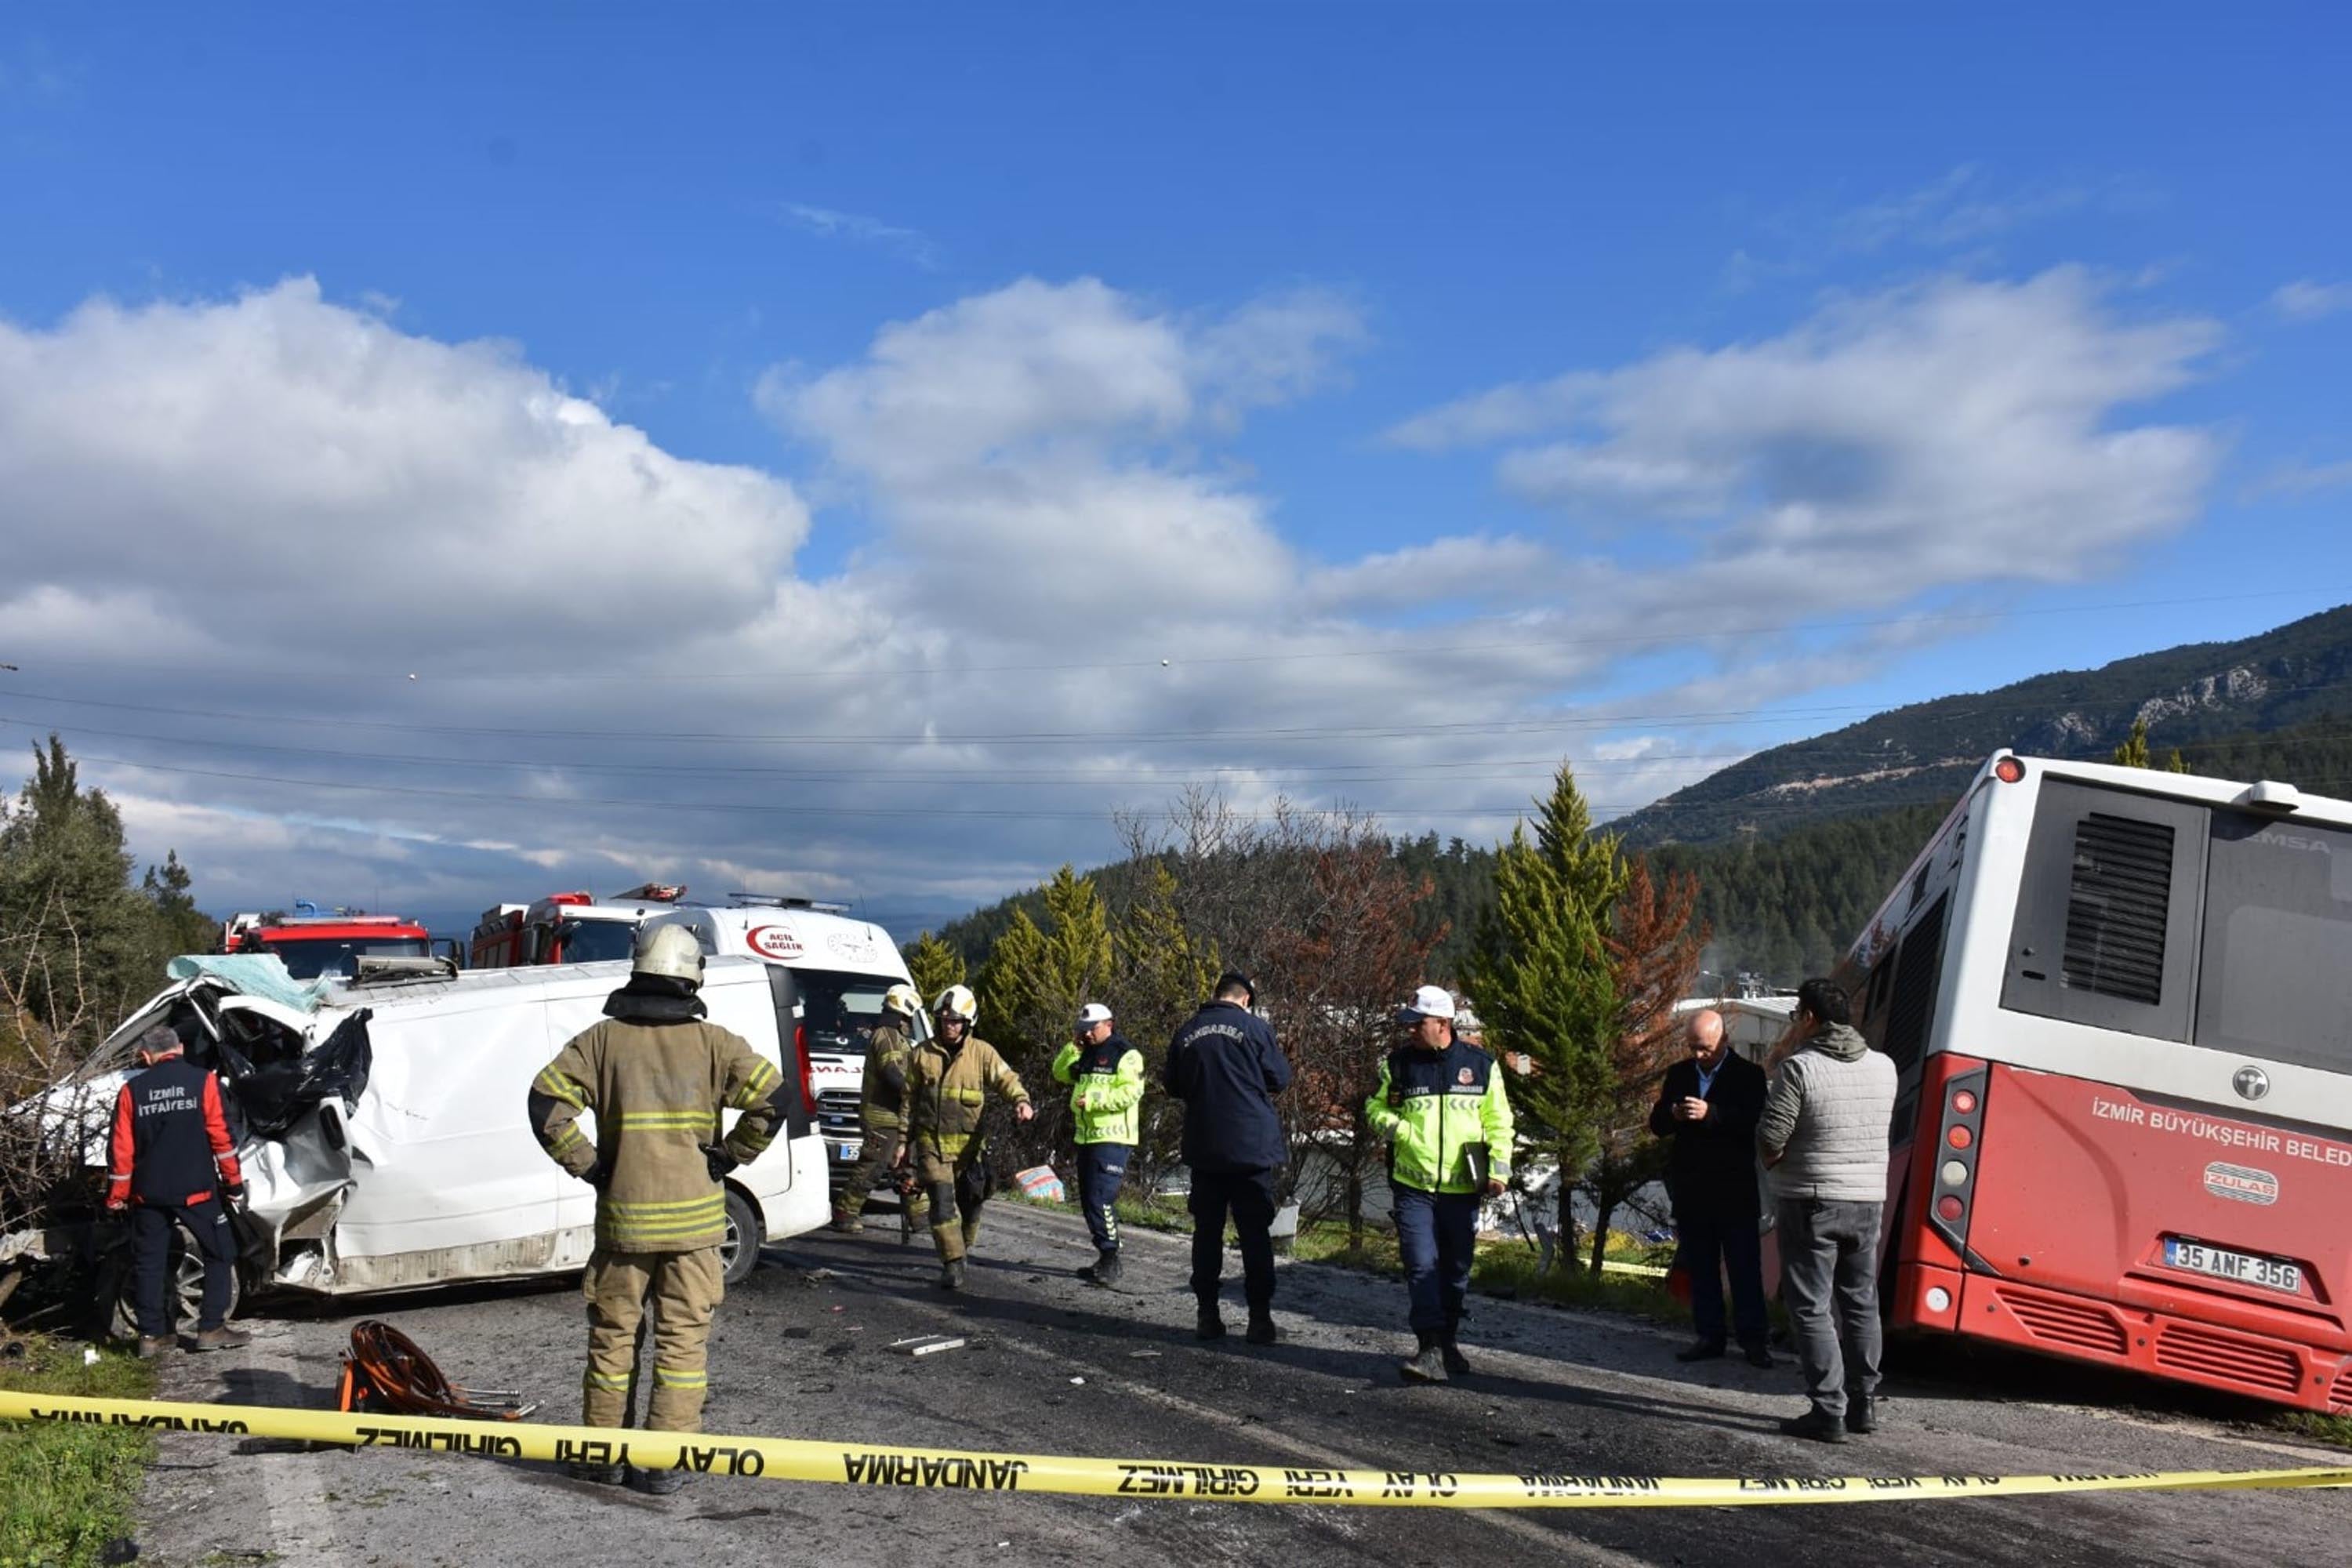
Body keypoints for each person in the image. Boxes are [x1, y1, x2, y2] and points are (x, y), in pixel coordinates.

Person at [528, 924, 790, 1494]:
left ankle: (601, 1456)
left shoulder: (601, 1042)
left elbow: (546, 1104)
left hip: (624, 1224)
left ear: (638, 970)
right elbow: (775, 1098)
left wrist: (592, 1166)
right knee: (682, 1348)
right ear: (693, 976)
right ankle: (661, 1465)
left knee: (613, 1341)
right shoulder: (715, 1043)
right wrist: (731, 1156)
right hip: (696, 1229)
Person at [1757, 977, 1896, 1443]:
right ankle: (1865, 1403)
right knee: (1860, 1301)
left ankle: (1828, 1409)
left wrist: (1775, 1161)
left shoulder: (1800, 1069)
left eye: (1798, 1015)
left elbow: (1772, 1136)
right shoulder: (1885, 1068)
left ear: (1811, 1018)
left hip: (1812, 1198)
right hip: (1868, 1201)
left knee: (1812, 1306)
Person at [1365, 986, 1512, 1383]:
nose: (1410, 1030)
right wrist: (1396, 1128)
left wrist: (1499, 1171)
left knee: (1456, 1269)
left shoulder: (1481, 1065)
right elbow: (1374, 1107)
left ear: (1442, 1024)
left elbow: (1500, 1122)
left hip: (1462, 1188)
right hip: (1413, 1185)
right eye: (1409, 1023)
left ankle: (1447, 1342)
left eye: (1418, 1023)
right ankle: (1428, 1346)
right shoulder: (1398, 1064)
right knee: (1420, 1263)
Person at [106, 1024, 250, 1358]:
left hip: (147, 1195)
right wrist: (233, 1183)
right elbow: (222, 1139)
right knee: (220, 1252)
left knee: (149, 1263)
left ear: (145, 1056)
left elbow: (121, 1151)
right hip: (197, 1191)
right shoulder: (204, 1082)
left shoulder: (132, 1091)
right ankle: (211, 1328)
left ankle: (152, 1337)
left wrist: (117, 1195)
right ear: (181, 1048)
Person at [1163, 971, 1291, 1345]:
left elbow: (1172, 1084)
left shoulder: (1187, 1031)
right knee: (1254, 1235)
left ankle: (1207, 1315)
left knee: (1207, 1233)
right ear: (1246, 999)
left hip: (1205, 1146)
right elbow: (1279, 1078)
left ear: (1217, 994)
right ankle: (1260, 1319)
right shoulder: (1254, 1029)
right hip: (1251, 1148)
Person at [1650, 1009, 1772, 1368]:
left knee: (1744, 1269)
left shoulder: (1749, 1075)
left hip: (1734, 1189)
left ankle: (1754, 1340)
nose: (1699, 1056)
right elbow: (1656, 1124)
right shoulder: (1679, 1074)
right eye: (1693, 1048)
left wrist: (1711, 1114)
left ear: (1723, 1041)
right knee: (1702, 1268)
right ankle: (1709, 1335)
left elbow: (1753, 1122)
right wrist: (1673, 1114)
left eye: (1704, 1048)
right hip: (1692, 1189)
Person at [898, 984, 1033, 1290]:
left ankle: (962, 1247)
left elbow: (1006, 1079)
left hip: (970, 1148)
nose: (950, 1026)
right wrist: (902, 1143)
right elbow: (908, 1101)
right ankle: (953, 1264)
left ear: (968, 1023)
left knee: (971, 1203)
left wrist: (1021, 1101)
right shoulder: (921, 1055)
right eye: (945, 1020)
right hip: (932, 1145)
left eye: (956, 1021)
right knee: (942, 1206)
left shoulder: (982, 1053)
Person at [1051, 1001, 1145, 1287]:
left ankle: (1111, 1256)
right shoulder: (1087, 1052)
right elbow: (1061, 1073)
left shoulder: (1126, 1054)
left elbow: (1131, 1092)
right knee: (1090, 1199)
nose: (1088, 1034)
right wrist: (1073, 1047)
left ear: (1109, 1025)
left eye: (1092, 1029)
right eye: (1083, 1029)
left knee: (1100, 1198)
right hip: (1087, 1136)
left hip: (1113, 1137)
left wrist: (1093, 1101)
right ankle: (1104, 1256)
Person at [832, 982, 929, 1236]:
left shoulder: (897, 1037)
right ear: (904, 1012)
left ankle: (920, 1217)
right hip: (882, 1118)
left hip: (897, 1117)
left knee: (908, 1166)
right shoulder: (886, 1035)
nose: (910, 1021)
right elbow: (892, 1073)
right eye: (909, 1016)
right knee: (872, 1167)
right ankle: (845, 1213)